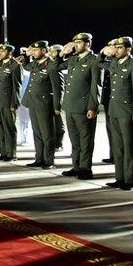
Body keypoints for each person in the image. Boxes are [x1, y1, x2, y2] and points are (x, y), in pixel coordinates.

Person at [57, 33, 101, 180]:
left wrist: (93, 107)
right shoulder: (73, 59)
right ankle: (76, 166)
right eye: (75, 42)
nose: (76, 45)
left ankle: (85, 168)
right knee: (74, 140)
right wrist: (62, 53)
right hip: (70, 105)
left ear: (88, 44)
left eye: (79, 43)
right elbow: (54, 67)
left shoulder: (94, 60)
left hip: (84, 107)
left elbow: (96, 86)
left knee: (86, 140)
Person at [103, 37, 133, 190]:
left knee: (129, 148)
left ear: (128, 49)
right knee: (118, 147)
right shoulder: (114, 62)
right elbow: (99, 62)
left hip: (127, 112)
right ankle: (119, 178)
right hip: (114, 110)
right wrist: (104, 53)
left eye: (120, 47)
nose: (116, 50)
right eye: (116, 47)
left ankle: (130, 180)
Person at [21, 41, 60, 169]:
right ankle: (39, 158)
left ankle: (49, 160)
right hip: (32, 102)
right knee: (37, 132)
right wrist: (26, 56)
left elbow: (57, 88)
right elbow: (26, 66)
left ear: (44, 51)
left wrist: (57, 106)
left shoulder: (51, 65)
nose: (34, 52)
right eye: (34, 50)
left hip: (44, 104)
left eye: (36, 50)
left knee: (47, 134)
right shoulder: (34, 64)